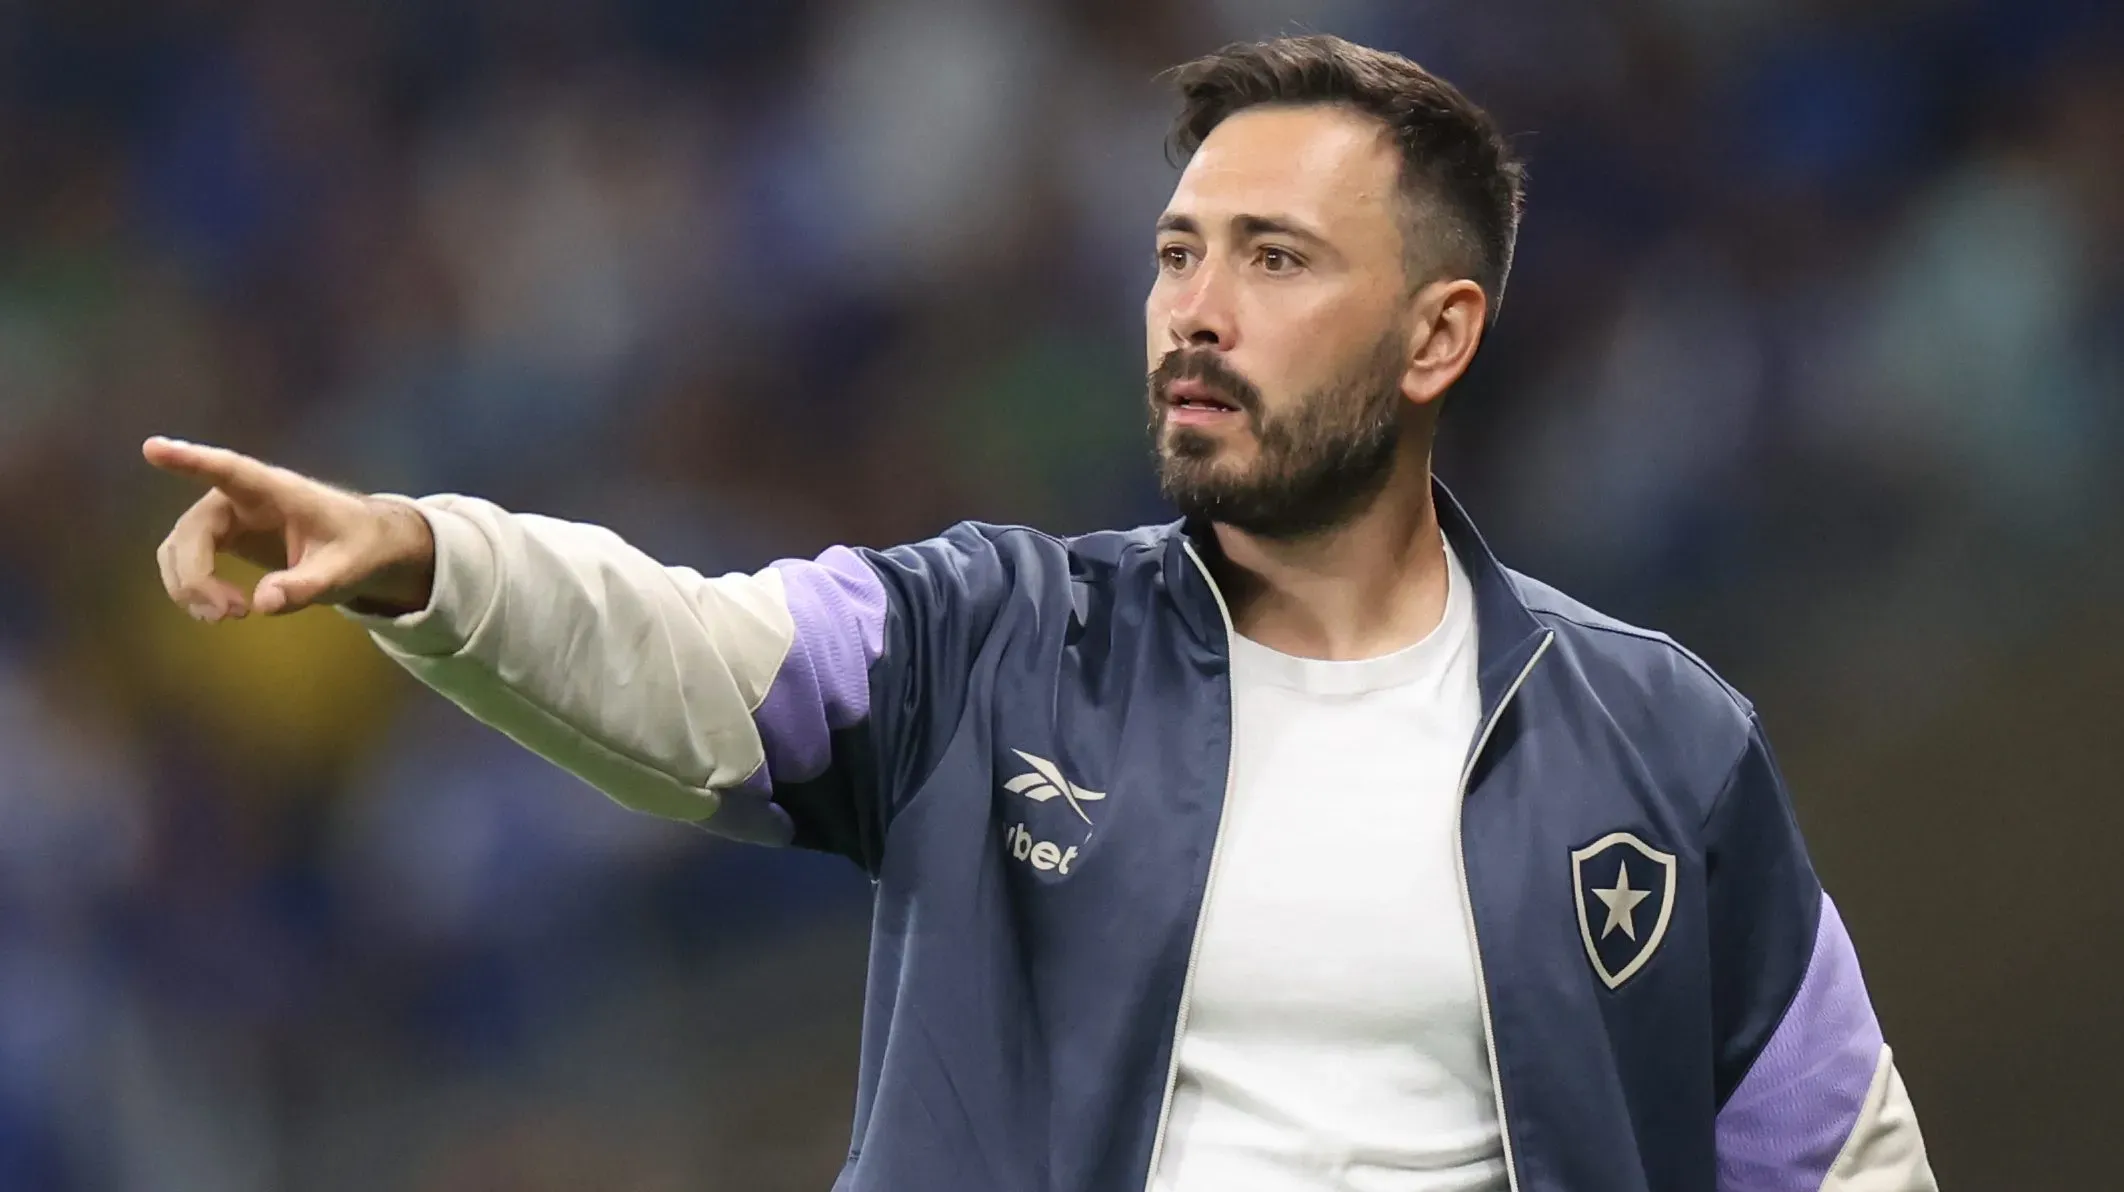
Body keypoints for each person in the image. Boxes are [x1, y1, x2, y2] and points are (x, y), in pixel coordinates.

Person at [145, 34, 1935, 1192]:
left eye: (1275, 259)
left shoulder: (1662, 748)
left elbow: (1839, 1158)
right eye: (1176, 253)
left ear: (1438, 337)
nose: (1196, 310)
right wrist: (426, 554)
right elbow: (692, 655)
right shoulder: (988, 640)